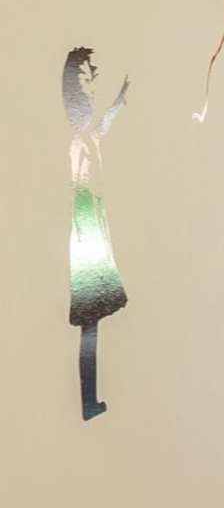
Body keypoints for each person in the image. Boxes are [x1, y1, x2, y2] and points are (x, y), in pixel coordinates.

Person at [63, 48, 128, 420]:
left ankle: (90, 399)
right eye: (85, 83)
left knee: (93, 326)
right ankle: (89, 400)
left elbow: (106, 121)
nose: (90, 91)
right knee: (90, 326)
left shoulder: (87, 136)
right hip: (88, 244)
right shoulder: (79, 142)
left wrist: (122, 94)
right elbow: (83, 191)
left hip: (92, 240)